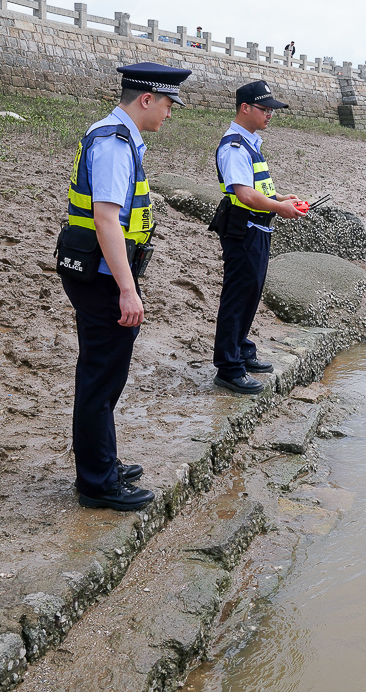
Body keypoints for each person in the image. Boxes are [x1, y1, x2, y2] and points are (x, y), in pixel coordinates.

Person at [59, 61, 191, 511]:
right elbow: (105, 220)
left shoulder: (115, 135)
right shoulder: (115, 144)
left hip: (98, 271)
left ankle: (101, 462)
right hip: (103, 276)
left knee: (103, 374)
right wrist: (128, 289)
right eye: (168, 104)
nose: (169, 114)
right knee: (101, 377)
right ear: (147, 99)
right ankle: (97, 483)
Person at [211, 80, 305, 394]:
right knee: (238, 296)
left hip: (257, 228)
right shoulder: (235, 146)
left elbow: (258, 188)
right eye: (264, 109)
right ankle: (229, 368)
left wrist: (280, 197)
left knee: (250, 292)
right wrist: (280, 208)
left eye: (270, 110)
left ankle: (241, 350)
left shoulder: (250, 142)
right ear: (245, 108)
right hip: (244, 228)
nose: (269, 114)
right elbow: (245, 194)